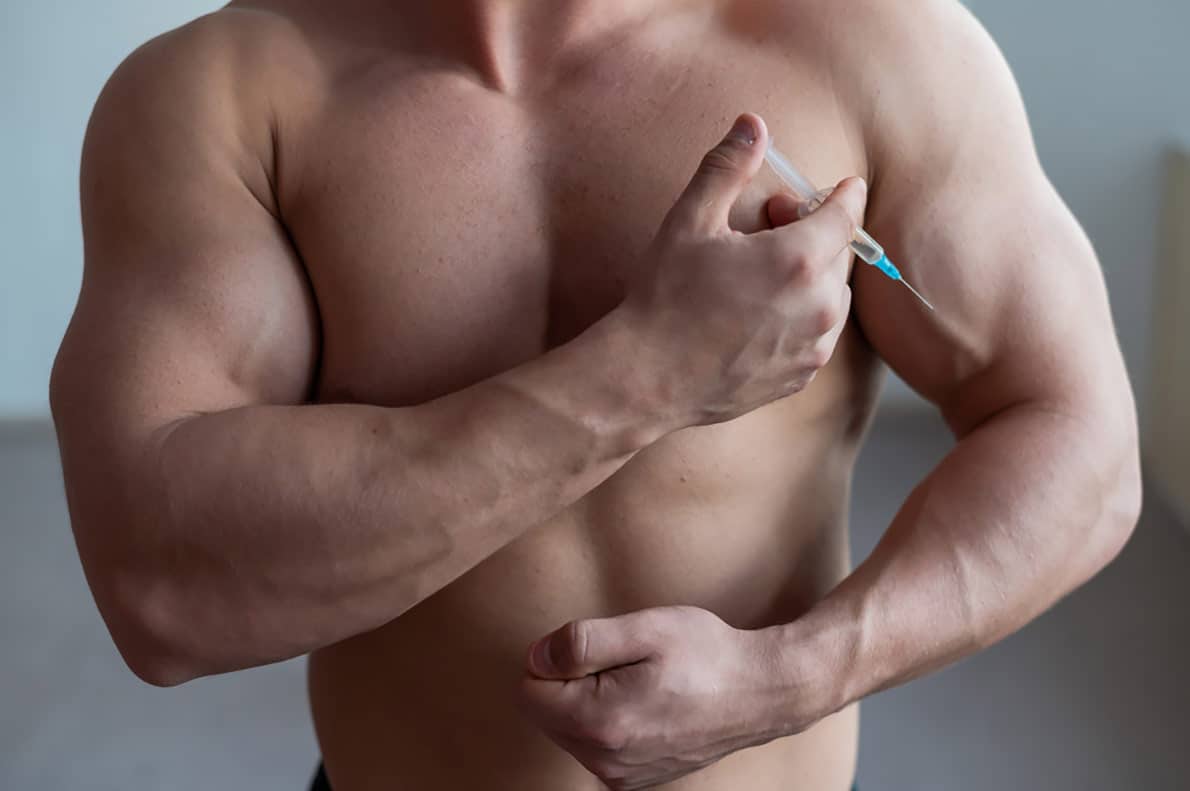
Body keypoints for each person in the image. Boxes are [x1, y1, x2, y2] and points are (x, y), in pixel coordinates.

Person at [50, 0, 1141, 789]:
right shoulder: (228, 97)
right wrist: (644, 373)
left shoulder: (873, 45)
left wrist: (791, 677)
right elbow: (159, 589)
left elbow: (1081, 447)